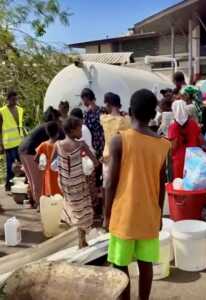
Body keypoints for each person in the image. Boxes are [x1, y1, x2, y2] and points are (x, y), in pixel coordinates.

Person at [105, 89, 171, 300]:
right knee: (146, 264)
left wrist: (107, 215)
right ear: (153, 114)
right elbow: (161, 184)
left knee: (120, 264)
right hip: (149, 213)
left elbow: (110, 183)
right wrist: (159, 215)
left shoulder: (119, 141)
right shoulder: (163, 145)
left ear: (130, 111)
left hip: (124, 214)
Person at [54, 117, 98, 248]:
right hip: (79, 183)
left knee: (73, 207)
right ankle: (81, 239)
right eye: (79, 128)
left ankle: (80, 238)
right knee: (83, 209)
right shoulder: (81, 144)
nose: (81, 131)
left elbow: (52, 163)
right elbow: (95, 162)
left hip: (65, 183)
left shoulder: (58, 144)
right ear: (73, 130)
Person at [19, 107, 63, 206]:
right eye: (59, 120)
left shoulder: (43, 126)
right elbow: (62, 138)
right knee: (37, 181)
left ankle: (34, 201)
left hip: (23, 149)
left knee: (32, 180)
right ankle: (40, 206)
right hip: (29, 151)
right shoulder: (52, 126)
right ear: (56, 119)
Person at [100, 92, 130, 187]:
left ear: (108, 104)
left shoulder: (104, 119)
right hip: (121, 158)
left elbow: (102, 114)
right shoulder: (126, 121)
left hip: (106, 158)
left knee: (107, 185)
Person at [168, 100, 203, 179]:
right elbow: (200, 140)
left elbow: (173, 146)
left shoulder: (173, 126)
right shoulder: (193, 124)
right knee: (192, 182)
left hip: (179, 159)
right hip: (194, 156)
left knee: (180, 184)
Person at [0, 91, 24, 191]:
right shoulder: (2, 111)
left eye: (16, 99)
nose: (15, 101)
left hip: (20, 141)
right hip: (9, 142)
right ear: (8, 99)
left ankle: (22, 184)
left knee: (22, 165)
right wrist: (0, 143)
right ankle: (8, 185)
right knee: (10, 165)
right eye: (13, 99)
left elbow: (20, 125)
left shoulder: (20, 109)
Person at [35, 121, 62, 196]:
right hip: (59, 174)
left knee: (49, 196)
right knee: (59, 195)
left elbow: (36, 159)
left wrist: (43, 163)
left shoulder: (43, 145)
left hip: (48, 174)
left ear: (47, 133)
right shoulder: (60, 144)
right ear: (58, 132)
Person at [81, 88, 104, 160]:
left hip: (93, 144)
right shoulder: (102, 109)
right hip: (102, 143)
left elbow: (85, 129)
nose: (83, 102)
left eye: (83, 99)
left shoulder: (86, 113)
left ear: (86, 98)